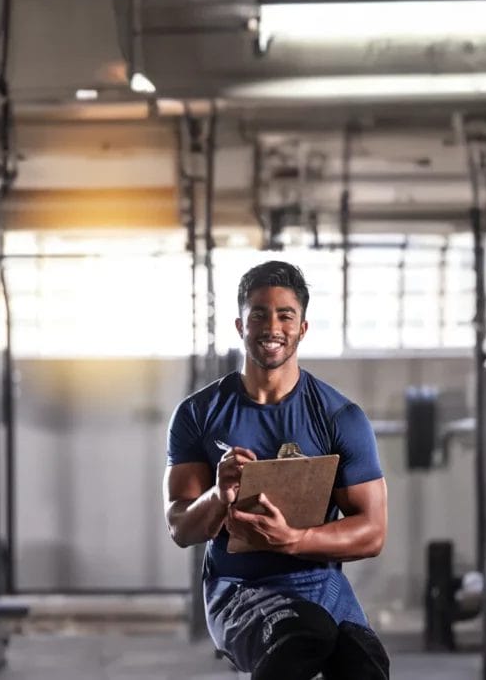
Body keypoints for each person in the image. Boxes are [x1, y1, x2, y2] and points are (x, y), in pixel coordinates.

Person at [163, 260, 390, 679]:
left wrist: (294, 539)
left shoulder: (339, 417)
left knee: (366, 665)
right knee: (303, 639)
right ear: (240, 325)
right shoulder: (198, 414)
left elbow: (373, 532)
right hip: (239, 588)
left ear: (302, 328)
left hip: (320, 584)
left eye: (285, 315)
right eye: (259, 314)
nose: (272, 327)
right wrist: (218, 494)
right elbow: (181, 527)